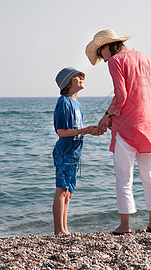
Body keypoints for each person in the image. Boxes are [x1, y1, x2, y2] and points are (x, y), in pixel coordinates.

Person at [85, 30, 151, 235]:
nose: (102, 59)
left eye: (100, 53)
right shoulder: (143, 57)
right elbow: (139, 93)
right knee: (150, 176)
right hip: (146, 124)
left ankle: (124, 225)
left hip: (127, 127)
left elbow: (121, 95)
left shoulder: (115, 61)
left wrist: (106, 116)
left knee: (123, 177)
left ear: (107, 46)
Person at [52, 67, 101, 235]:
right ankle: (59, 230)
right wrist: (84, 130)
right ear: (67, 83)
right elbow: (61, 132)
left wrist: (91, 130)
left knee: (69, 193)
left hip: (74, 153)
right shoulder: (63, 102)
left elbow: (77, 129)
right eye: (77, 76)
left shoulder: (77, 104)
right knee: (62, 190)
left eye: (82, 76)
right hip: (65, 151)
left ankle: (64, 229)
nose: (81, 78)